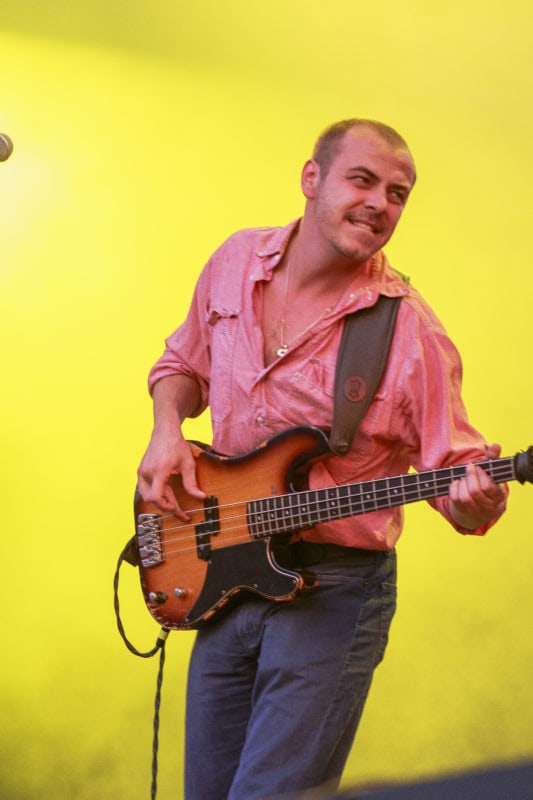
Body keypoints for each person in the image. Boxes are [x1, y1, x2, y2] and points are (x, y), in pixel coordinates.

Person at [137, 119, 508, 800]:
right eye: (362, 180)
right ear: (311, 178)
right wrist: (166, 431)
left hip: (335, 591)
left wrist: (476, 498)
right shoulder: (235, 261)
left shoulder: (409, 332)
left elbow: (457, 477)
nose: (379, 203)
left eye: (397, 193)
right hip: (223, 571)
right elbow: (181, 364)